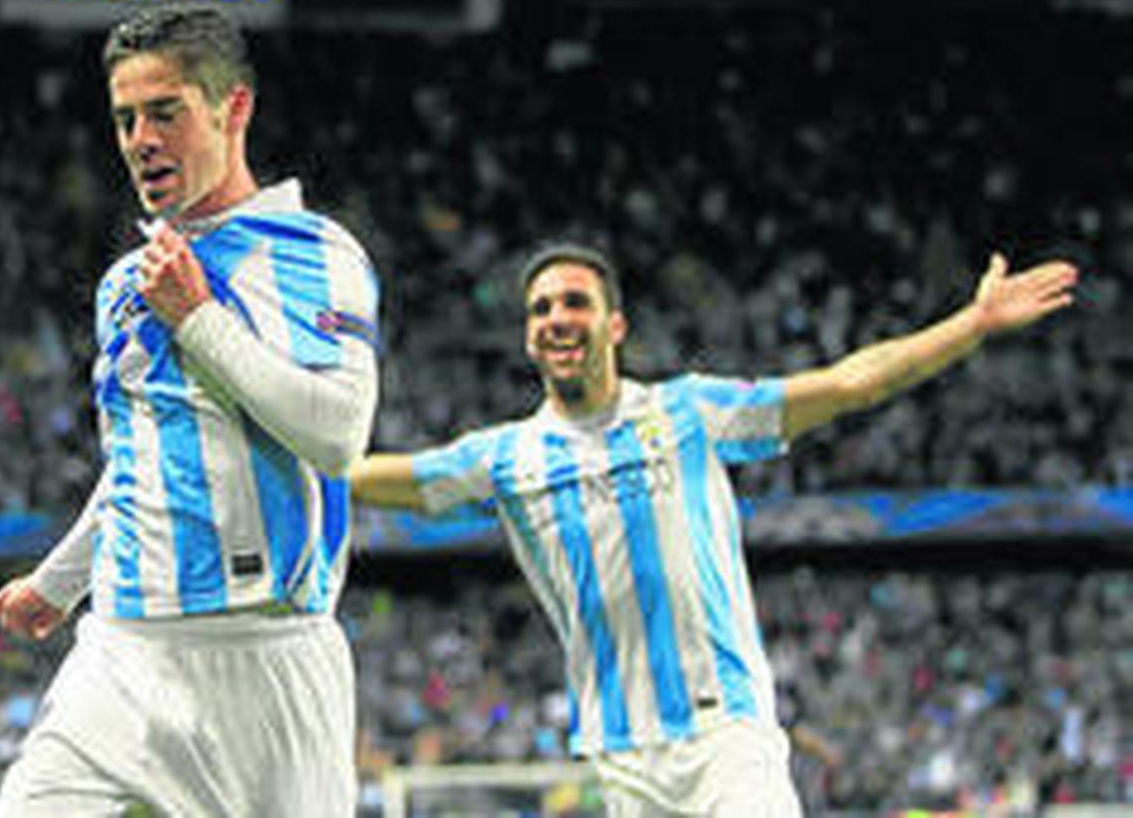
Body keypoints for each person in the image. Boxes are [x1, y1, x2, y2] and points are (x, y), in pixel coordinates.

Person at [351, 242, 1077, 817]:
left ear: (615, 325)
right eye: (541, 309)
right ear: (529, 337)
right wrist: (269, 457)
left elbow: (853, 384)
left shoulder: (689, 412)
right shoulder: (505, 458)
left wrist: (973, 324)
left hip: (725, 732)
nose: (556, 318)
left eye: (576, 302)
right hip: (621, 756)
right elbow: (380, 478)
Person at [0, 3, 381, 816]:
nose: (141, 140)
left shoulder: (313, 254)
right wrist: (58, 585)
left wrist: (197, 320)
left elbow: (337, 438)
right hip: (124, 646)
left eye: (165, 112)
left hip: (266, 654)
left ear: (234, 110)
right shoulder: (127, 283)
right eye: (126, 119)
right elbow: (137, 464)